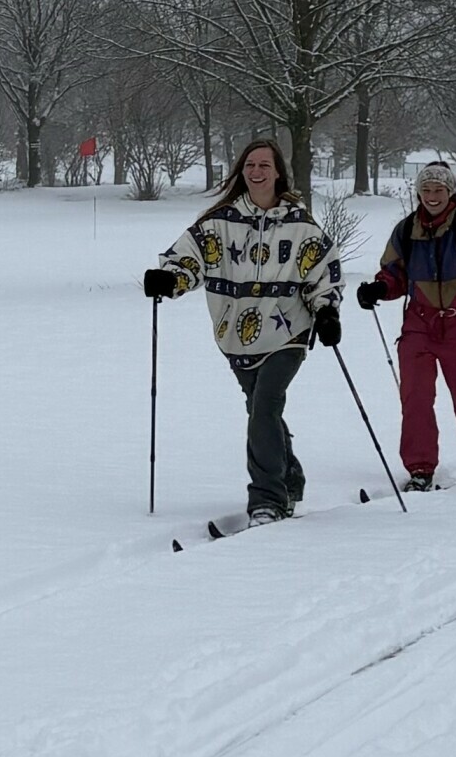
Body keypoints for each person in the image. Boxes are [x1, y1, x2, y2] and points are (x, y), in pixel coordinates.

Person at [140, 137, 342, 523]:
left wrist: (327, 312)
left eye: (264, 165)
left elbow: (323, 272)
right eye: (250, 165)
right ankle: (289, 476)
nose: (256, 171)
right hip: (236, 335)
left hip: (288, 332)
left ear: (278, 172)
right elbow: (189, 257)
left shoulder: (301, 226)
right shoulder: (219, 222)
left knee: (265, 406)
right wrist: (169, 279)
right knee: (260, 409)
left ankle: (267, 499)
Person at [353, 158, 456, 488]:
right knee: (415, 397)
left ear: (450, 192)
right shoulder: (406, 230)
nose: (432, 196)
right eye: (426, 189)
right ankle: (420, 469)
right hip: (419, 323)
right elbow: (393, 274)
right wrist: (379, 288)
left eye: (439, 189)